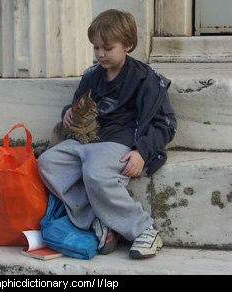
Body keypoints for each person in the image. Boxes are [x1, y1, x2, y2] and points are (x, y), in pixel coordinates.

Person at [38, 9, 177, 259]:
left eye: (108, 48)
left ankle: (144, 229)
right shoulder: (93, 76)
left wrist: (142, 153)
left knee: (95, 173)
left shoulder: (146, 80)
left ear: (128, 45)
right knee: (48, 163)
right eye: (96, 48)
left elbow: (165, 124)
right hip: (86, 140)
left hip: (119, 141)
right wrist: (68, 113)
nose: (100, 54)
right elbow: (80, 106)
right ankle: (98, 219)